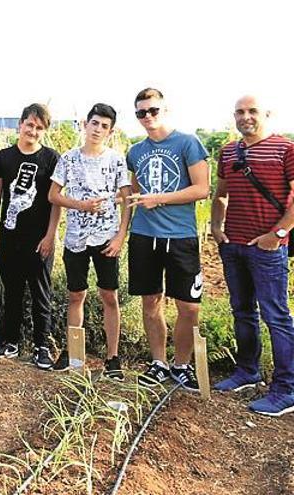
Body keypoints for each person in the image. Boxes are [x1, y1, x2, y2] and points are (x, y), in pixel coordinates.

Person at [211, 95, 294, 417]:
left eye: (252, 111)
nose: (245, 117)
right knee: (242, 310)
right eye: (240, 112)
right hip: (233, 245)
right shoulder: (229, 151)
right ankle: (248, 371)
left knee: (276, 316)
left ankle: (286, 389)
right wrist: (217, 227)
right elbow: (220, 194)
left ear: (267, 114)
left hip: (267, 248)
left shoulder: (285, 149)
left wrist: (278, 235)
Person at [126, 88, 209, 391]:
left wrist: (159, 199)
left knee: (189, 306)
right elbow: (135, 195)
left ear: (165, 110)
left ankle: (181, 365)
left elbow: (202, 189)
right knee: (151, 302)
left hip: (181, 236)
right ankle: (158, 362)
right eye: (141, 113)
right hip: (144, 236)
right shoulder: (135, 152)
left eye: (153, 110)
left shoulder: (188, 143)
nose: (148, 117)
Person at [48, 103, 131, 378]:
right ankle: (74, 353)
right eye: (94, 123)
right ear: (86, 124)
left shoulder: (117, 160)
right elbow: (53, 195)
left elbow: (127, 200)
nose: (97, 129)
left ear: (110, 131)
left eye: (104, 126)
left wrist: (121, 235)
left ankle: (112, 358)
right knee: (76, 295)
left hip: (107, 238)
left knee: (109, 296)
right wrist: (80, 205)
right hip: (76, 238)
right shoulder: (68, 159)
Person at [0, 103, 61, 369]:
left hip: (39, 239)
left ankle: (42, 344)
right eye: (29, 124)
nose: (33, 130)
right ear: (20, 125)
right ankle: (11, 340)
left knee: (41, 293)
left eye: (39, 127)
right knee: (13, 291)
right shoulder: (4, 157)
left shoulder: (52, 159)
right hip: (8, 237)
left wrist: (51, 236)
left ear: (44, 131)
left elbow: (56, 202)